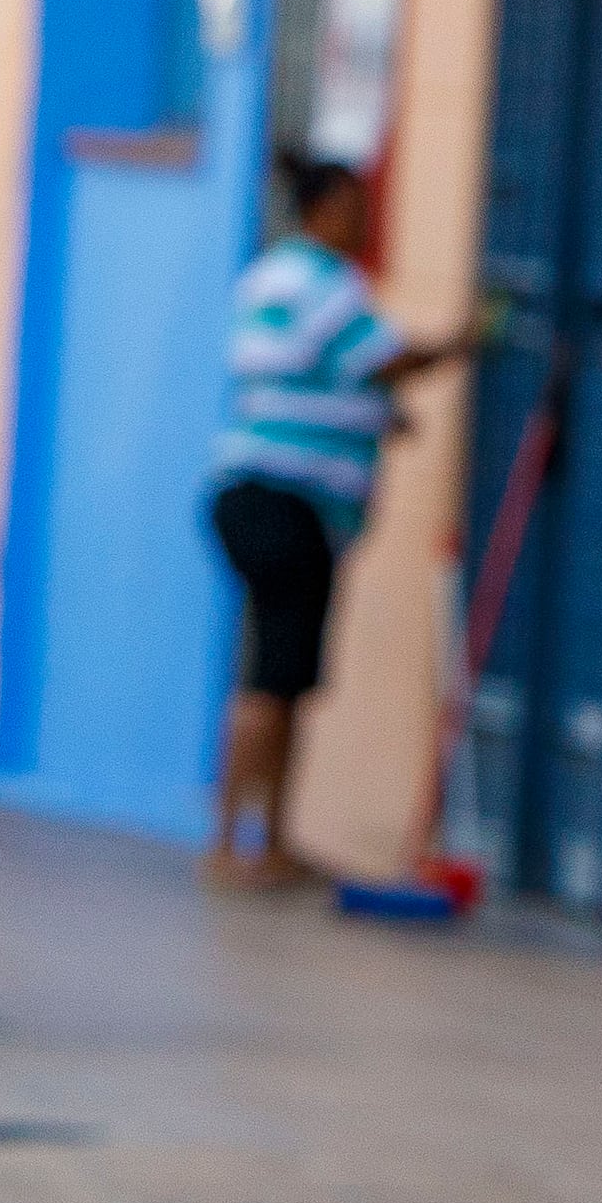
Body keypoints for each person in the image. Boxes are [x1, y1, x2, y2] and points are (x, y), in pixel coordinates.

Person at [202, 154, 464, 888]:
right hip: (290, 501)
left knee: (281, 677)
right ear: (322, 210)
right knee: (271, 676)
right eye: (353, 207)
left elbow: (311, 380)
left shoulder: (265, 278)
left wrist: (377, 418)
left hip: (251, 491)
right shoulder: (328, 286)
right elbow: (384, 360)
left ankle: (266, 840)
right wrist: (460, 341)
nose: (363, 221)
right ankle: (234, 843)